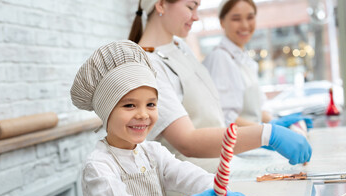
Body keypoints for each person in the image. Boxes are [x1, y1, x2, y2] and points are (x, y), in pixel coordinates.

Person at [70, 40, 289, 196]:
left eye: (151, 104)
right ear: (106, 111)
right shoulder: (98, 166)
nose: (143, 114)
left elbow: (188, 176)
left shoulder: (154, 152)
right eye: (129, 105)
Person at [128, 0, 312, 171]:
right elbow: (187, 141)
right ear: (161, 5)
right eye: (190, 7)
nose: (196, 16)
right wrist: (266, 134)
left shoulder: (180, 47)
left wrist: (266, 130)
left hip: (221, 166)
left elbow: (211, 116)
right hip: (192, 183)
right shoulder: (147, 65)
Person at [203, 0, 313, 129]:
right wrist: (268, 132)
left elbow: (258, 109)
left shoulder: (245, 59)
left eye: (250, 17)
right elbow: (225, 117)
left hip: (251, 140)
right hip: (237, 144)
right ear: (222, 22)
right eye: (236, 19)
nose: (245, 25)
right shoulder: (220, 58)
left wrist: (280, 124)